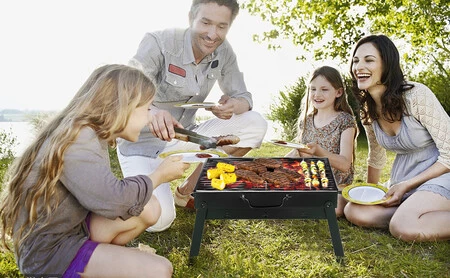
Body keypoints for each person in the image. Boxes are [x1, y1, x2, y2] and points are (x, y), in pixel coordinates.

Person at [0, 64, 190, 277]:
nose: (148, 119)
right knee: (159, 270)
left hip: (72, 230)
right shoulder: (78, 140)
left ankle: (103, 263)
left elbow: (108, 195)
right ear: (123, 107)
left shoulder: (88, 132)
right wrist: (159, 176)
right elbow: (113, 200)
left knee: (150, 206)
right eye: (146, 109)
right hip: (50, 254)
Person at [117, 0, 268, 231]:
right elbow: (126, 88)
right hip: (141, 142)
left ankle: (186, 191)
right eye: (205, 23)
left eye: (221, 26)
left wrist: (232, 105)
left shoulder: (224, 51)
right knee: (158, 221)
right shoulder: (159, 42)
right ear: (191, 18)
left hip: (185, 136)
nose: (212, 34)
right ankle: (128, 189)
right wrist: (151, 111)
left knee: (255, 124)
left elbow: (244, 97)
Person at [343, 34, 450, 241]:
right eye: (356, 61)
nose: (359, 67)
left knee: (403, 226)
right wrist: (368, 194)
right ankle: (412, 216)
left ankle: (407, 219)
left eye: (369, 60)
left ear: (387, 64)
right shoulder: (368, 109)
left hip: (441, 175)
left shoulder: (417, 96)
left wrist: (407, 185)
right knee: (355, 211)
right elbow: (376, 156)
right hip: (404, 179)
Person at [285, 65, 358, 217]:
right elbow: (299, 152)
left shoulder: (345, 121)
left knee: (334, 208)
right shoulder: (307, 120)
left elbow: (345, 164)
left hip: (336, 185)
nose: (317, 94)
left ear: (338, 92)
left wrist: (319, 151)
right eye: (313, 89)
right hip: (311, 180)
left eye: (324, 89)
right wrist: (279, 165)